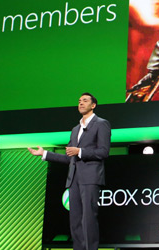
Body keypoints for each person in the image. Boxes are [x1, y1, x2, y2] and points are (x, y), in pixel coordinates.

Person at [28, 93, 111, 250]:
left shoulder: (101, 124)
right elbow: (69, 158)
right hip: (73, 179)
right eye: (79, 101)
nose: (81, 103)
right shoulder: (75, 129)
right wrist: (45, 154)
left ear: (93, 105)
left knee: (88, 219)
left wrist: (80, 151)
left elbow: (103, 151)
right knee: (75, 221)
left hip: (90, 178)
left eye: (85, 101)